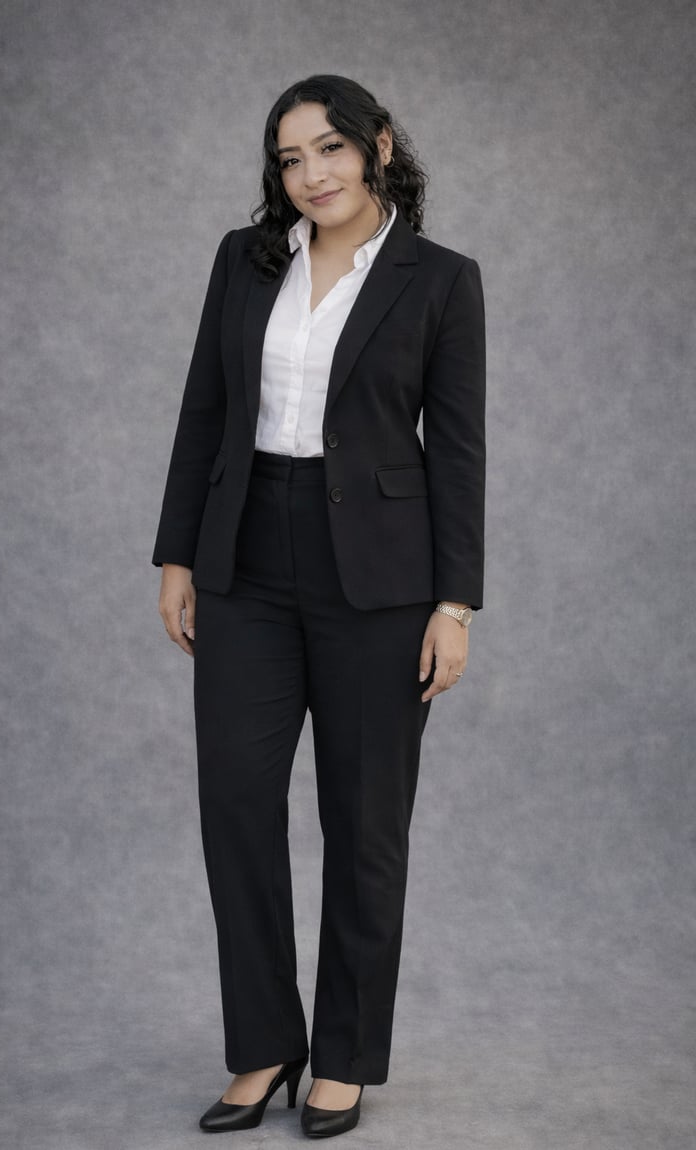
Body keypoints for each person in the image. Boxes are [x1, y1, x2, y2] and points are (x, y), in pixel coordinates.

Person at [153, 74, 485, 1139]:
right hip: (245, 558)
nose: (311, 174)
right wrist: (176, 556)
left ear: (379, 144)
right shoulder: (244, 260)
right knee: (236, 805)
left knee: (366, 821)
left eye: (330, 148)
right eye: (291, 159)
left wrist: (455, 604)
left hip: (381, 582)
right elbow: (205, 408)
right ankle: (264, 1044)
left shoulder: (442, 279)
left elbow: (459, 452)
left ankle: (343, 1054)